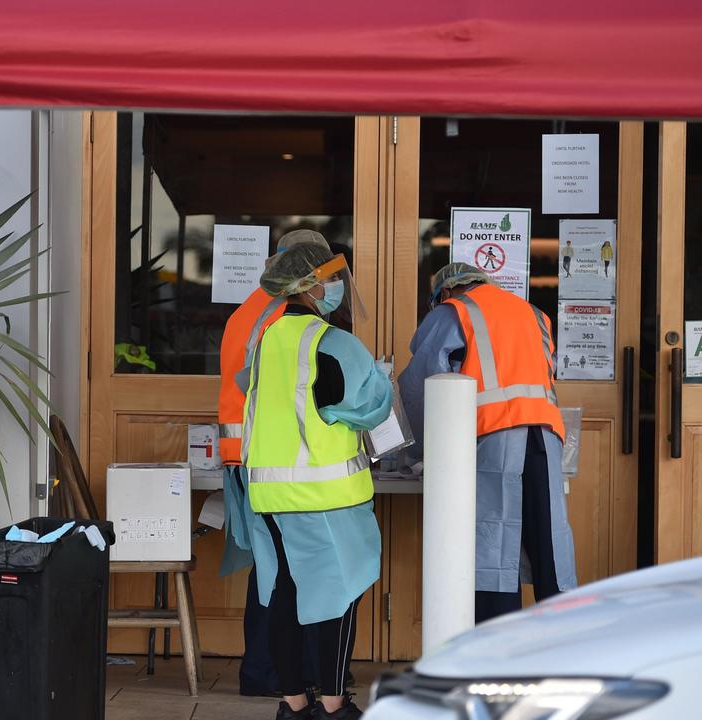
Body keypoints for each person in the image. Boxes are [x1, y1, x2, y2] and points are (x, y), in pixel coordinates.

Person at [243, 243, 392, 720]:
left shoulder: (265, 339)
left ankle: (293, 704)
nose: (337, 289)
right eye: (331, 280)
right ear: (309, 286)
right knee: (338, 592)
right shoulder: (334, 343)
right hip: (324, 494)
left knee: (286, 590)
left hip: (268, 492)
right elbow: (371, 408)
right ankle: (333, 706)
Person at [398, 262, 577, 624]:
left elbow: (422, 387)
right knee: (550, 544)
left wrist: (414, 454)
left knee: (495, 541)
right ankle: (561, 645)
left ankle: (496, 649)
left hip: (493, 435)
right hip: (545, 435)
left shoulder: (454, 311)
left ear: (445, 292)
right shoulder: (534, 313)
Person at [218, 228, 329, 699]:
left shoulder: (248, 308)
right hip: (269, 456)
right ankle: (269, 674)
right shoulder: (284, 313)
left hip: (243, 454)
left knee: (270, 565)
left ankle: (263, 671)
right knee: (283, 569)